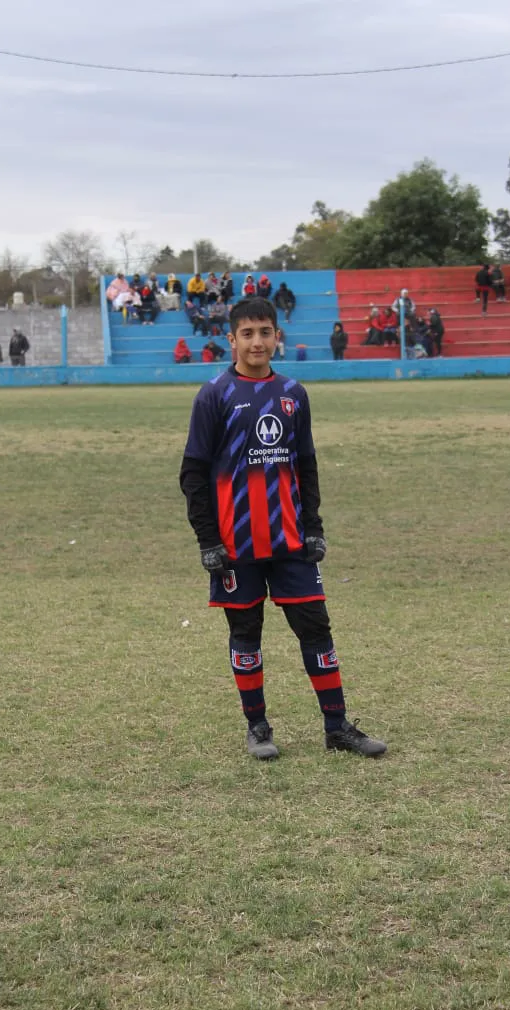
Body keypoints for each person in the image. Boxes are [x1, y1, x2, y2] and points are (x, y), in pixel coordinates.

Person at [180, 296, 387, 761]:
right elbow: (193, 473)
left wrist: (313, 525)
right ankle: (257, 728)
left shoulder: (293, 393)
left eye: (265, 332)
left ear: (278, 337)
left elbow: (306, 466)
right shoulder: (214, 395)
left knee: (316, 628)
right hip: (237, 544)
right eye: (247, 334)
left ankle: (337, 727)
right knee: (246, 632)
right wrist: (208, 540)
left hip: (290, 540)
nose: (257, 341)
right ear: (231, 340)